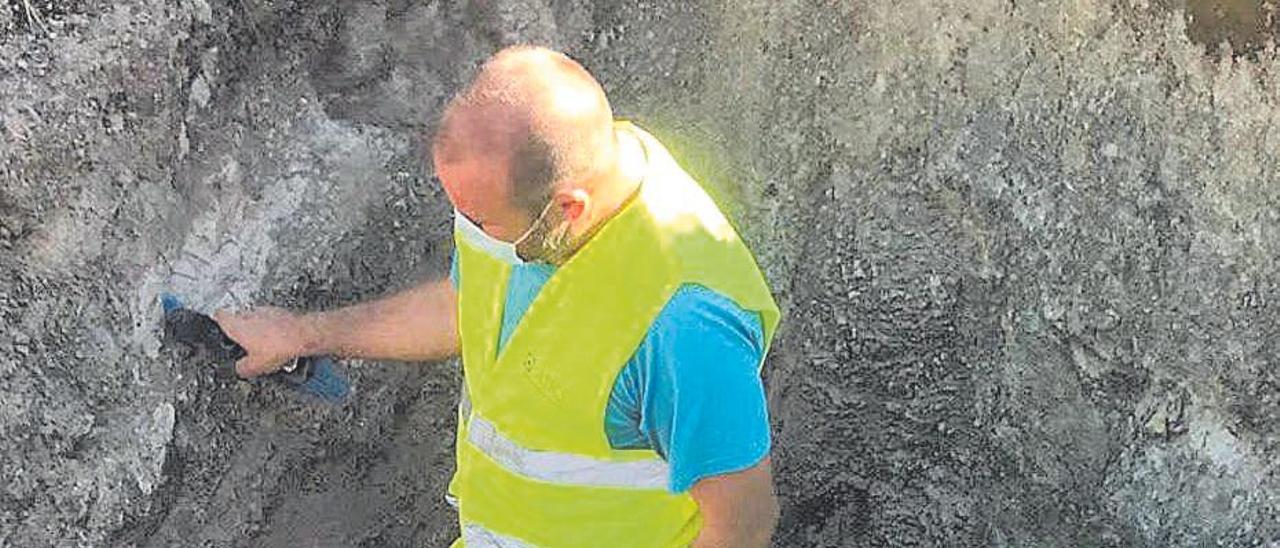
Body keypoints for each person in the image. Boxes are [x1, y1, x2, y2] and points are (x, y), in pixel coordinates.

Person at [214, 45, 781, 547]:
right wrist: (304, 333)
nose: (469, 226)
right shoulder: (527, 196)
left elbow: (743, 525)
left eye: (482, 219)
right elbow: (470, 306)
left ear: (568, 209)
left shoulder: (682, 327)